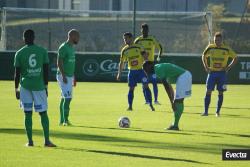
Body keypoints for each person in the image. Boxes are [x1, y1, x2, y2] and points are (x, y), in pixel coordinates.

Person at [14, 29, 56, 147]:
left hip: (25, 87)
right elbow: (46, 71)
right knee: (43, 113)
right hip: (39, 87)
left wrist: (16, 89)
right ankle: (47, 141)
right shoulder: (42, 51)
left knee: (27, 113)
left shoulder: (19, 53)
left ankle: (30, 141)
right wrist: (46, 86)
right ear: (34, 37)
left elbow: (17, 73)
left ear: (24, 38)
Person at [143, 61, 192, 130]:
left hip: (183, 77)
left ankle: (175, 126)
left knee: (178, 101)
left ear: (150, 66)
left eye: (146, 68)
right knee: (178, 101)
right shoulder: (158, 67)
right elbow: (169, 85)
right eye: (144, 69)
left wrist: (172, 102)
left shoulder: (158, 70)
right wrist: (172, 99)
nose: (145, 71)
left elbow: (166, 87)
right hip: (183, 77)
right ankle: (175, 125)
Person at [201, 32, 237, 117]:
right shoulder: (210, 47)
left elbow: (235, 57)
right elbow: (203, 55)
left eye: (218, 40)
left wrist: (228, 67)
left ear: (222, 40)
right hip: (212, 73)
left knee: (221, 92)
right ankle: (205, 112)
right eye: (215, 40)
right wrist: (206, 66)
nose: (216, 42)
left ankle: (217, 112)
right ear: (214, 40)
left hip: (222, 74)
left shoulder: (226, 49)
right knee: (208, 91)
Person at [117, 32, 155, 111]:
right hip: (132, 72)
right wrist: (119, 73)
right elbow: (121, 62)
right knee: (131, 88)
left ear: (131, 38)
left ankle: (151, 105)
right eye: (124, 39)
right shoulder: (124, 50)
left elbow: (145, 58)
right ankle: (130, 106)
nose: (125, 40)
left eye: (126, 38)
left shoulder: (139, 47)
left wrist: (147, 68)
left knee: (146, 86)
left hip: (141, 71)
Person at [134, 23, 163, 105]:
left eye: (146, 30)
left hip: (151, 64)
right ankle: (146, 100)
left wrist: (158, 57)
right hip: (142, 65)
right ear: (141, 30)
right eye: (143, 30)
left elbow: (160, 47)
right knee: (144, 83)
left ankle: (156, 100)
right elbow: (134, 49)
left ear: (148, 30)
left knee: (154, 82)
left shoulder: (152, 39)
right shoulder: (138, 40)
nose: (144, 31)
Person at [57, 29, 80, 126]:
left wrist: (73, 76)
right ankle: (66, 120)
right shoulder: (63, 47)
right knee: (68, 98)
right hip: (64, 76)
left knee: (64, 97)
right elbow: (59, 62)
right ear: (71, 36)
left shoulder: (71, 48)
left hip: (69, 76)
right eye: (77, 37)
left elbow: (70, 63)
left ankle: (62, 120)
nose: (78, 39)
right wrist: (63, 75)